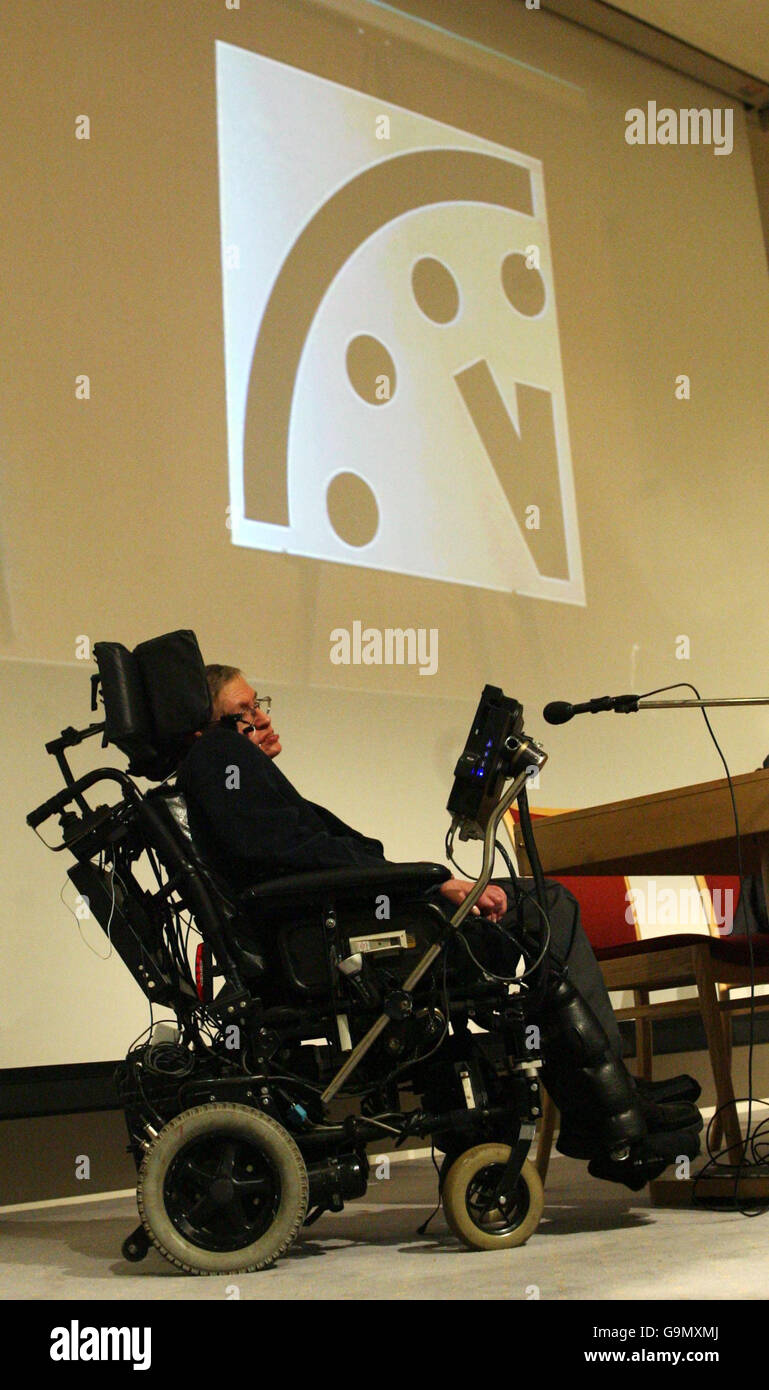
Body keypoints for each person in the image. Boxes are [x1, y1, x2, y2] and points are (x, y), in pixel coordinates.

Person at [175, 664, 703, 1189]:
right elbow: (301, 859)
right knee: (545, 905)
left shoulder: (226, 768)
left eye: (257, 703)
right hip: (333, 940)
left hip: (337, 926)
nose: (261, 718)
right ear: (205, 725)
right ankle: (609, 1108)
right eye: (242, 712)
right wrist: (433, 884)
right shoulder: (219, 758)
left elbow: (303, 856)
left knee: (537, 914)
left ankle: (607, 1102)